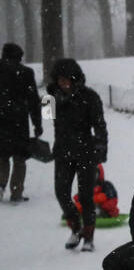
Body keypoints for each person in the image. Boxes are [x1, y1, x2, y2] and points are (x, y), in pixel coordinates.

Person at [45, 57, 106, 251]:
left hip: (86, 152)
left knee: (86, 196)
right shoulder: (51, 99)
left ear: (75, 78)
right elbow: (52, 123)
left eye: (67, 79)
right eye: (60, 80)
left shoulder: (90, 97)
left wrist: (101, 147)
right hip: (63, 152)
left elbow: (99, 125)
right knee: (61, 192)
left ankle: (88, 236)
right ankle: (75, 226)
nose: (63, 83)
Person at [0, 42, 42, 203]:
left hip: (1, 121)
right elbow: (33, 101)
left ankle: (0, 185)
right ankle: (16, 191)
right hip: (19, 122)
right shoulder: (25, 73)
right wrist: (37, 124)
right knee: (19, 158)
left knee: (2, 156)